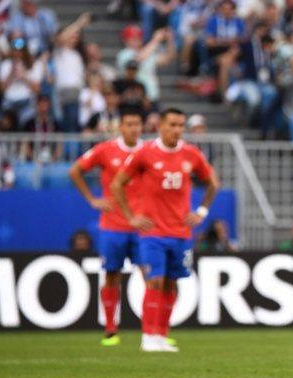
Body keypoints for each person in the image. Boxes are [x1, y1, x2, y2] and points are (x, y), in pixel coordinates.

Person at [111, 108, 219, 352]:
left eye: (181, 125)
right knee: (155, 281)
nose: (177, 129)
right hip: (153, 232)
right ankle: (147, 336)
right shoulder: (145, 153)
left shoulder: (191, 153)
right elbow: (117, 183)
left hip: (181, 232)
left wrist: (201, 212)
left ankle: (161, 335)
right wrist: (131, 216)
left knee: (171, 284)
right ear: (160, 126)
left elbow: (212, 182)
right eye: (172, 124)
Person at [69, 107, 145, 346]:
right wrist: (92, 199)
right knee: (112, 274)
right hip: (113, 224)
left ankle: (153, 329)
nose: (134, 128)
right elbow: (75, 171)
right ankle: (111, 328)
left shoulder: (149, 151)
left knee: (151, 276)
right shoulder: (105, 150)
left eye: (137, 124)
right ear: (120, 127)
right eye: (129, 124)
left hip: (143, 225)